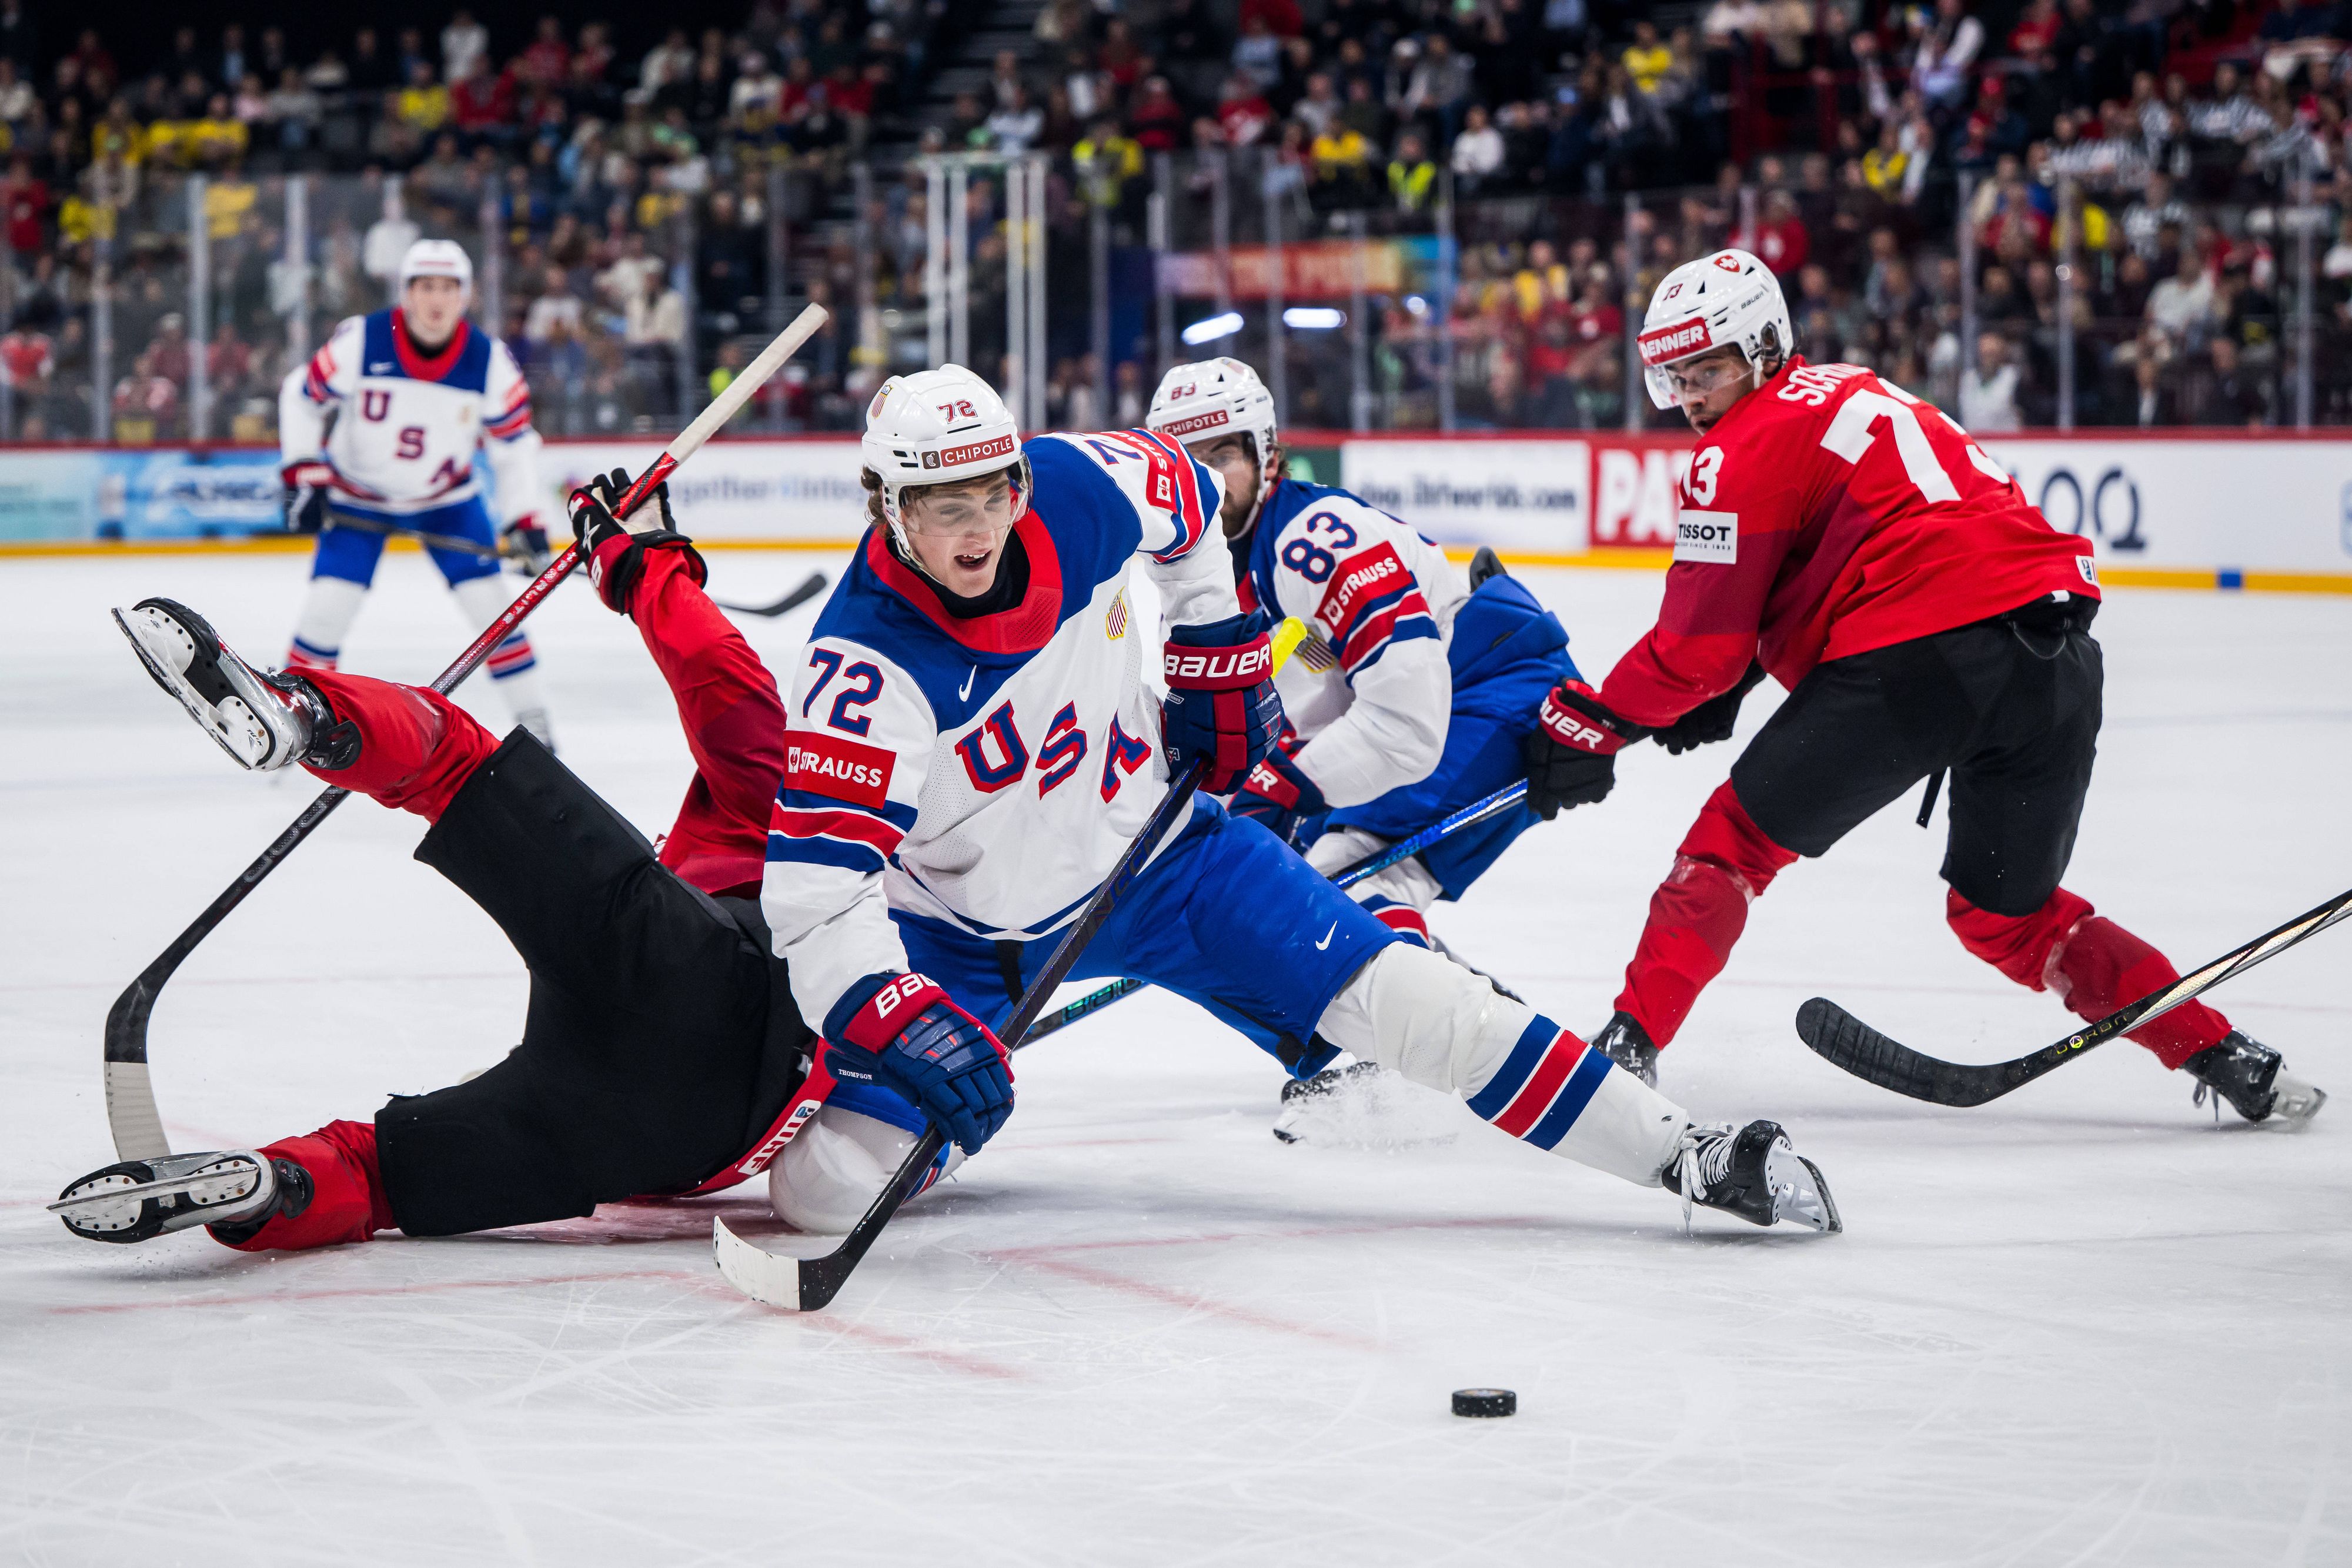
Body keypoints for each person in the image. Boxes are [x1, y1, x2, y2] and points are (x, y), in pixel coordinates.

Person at [757, 364, 1839, 1233]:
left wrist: (1211, 645)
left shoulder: (1083, 486)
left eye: (995, 493)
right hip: (972, 941)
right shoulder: (863, 670)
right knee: (824, 1190)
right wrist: (890, 1014)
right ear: (885, 505)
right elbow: (818, 894)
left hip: (1167, 861)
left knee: (1409, 998)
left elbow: (1182, 506)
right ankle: (936, 1121)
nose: (980, 528)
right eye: (946, 506)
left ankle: (1681, 1151)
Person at [54, 472, 997, 1252]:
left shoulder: (812, 788)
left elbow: (715, 671)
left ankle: (307, 714)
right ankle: (276, 1190)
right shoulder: (960, 926)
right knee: (387, 1172)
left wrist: (637, 558)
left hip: (693, 982)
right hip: (673, 1144)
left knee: (454, 757)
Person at [1521, 248, 2326, 1127]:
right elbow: (1867, 545)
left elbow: (1696, 652)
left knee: (1732, 844)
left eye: (1706, 370)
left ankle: (1627, 1047)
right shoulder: (1860, 390)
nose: (1692, 398)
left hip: (1922, 661)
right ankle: (2221, 1049)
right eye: (1673, 376)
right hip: (2055, 664)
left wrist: (1592, 721)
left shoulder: (1737, 447)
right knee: (2004, 919)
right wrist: (1748, 669)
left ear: (1762, 347)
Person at [1142, 357, 1565, 979]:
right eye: (1183, 463)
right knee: (1298, 877)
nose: (1204, 481)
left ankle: (1478, 1042)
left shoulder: (1313, 542)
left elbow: (1405, 725)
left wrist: (1282, 786)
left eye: (1221, 456)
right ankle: (1460, 1026)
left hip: (1489, 692)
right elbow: (1303, 706)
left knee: (1332, 880)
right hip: (1452, 698)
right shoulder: (1217, 569)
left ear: (1269, 457)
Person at [277, 239, 556, 748]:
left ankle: (535, 722)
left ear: (465, 296)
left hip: (447, 502)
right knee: (327, 610)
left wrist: (525, 520)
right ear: (406, 293)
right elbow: (301, 395)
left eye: (448, 288)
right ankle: (292, 717)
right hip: (357, 496)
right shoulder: (362, 341)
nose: (436, 300)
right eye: (425, 286)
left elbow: (513, 446)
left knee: (496, 612)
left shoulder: (489, 361)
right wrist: (303, 472)